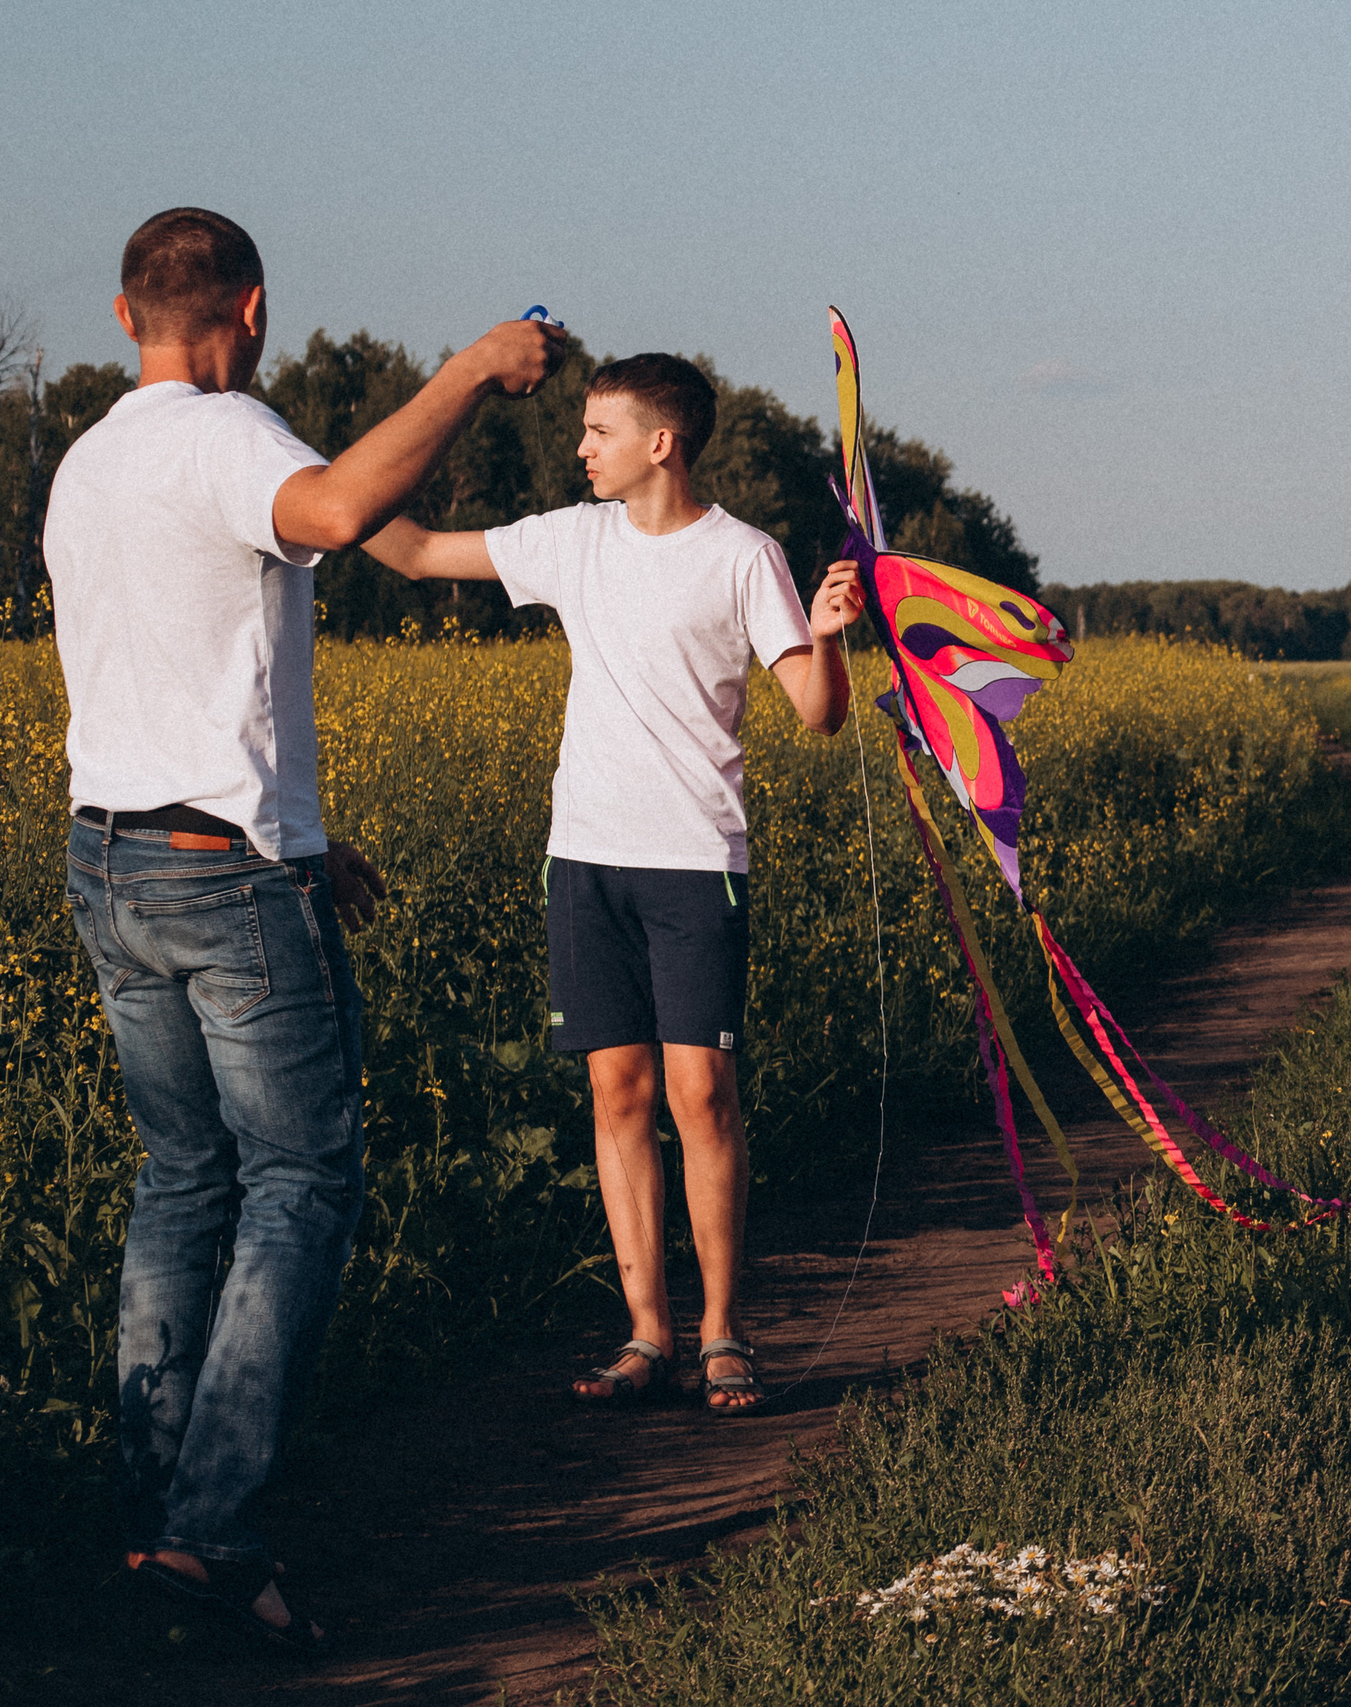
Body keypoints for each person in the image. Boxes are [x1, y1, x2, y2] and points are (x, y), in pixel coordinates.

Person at [47, 207, 565, 1652]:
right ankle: (213, 1533)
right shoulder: (227, 433)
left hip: (113, 857)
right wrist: (473, 368)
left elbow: (176, 652)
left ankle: (150, 1520)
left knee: (181, 1182)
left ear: (121, 313)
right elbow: (341, 512)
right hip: (218, 871)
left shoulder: (91, 460)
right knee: (301, 1180)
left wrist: (306, 832)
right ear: (252, 309)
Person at [361, 353, 861, 1415]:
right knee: (618, 1095)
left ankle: (724, 1333)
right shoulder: (568, 540)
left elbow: (818, 714)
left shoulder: (743, 557)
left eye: (598, 432)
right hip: (584, 859)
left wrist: (824, 639)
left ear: (661, 444)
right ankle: (647, 1336)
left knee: (702, 1096)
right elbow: (404, 551)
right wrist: (323, 478)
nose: (579, 448)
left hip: (694, 864)